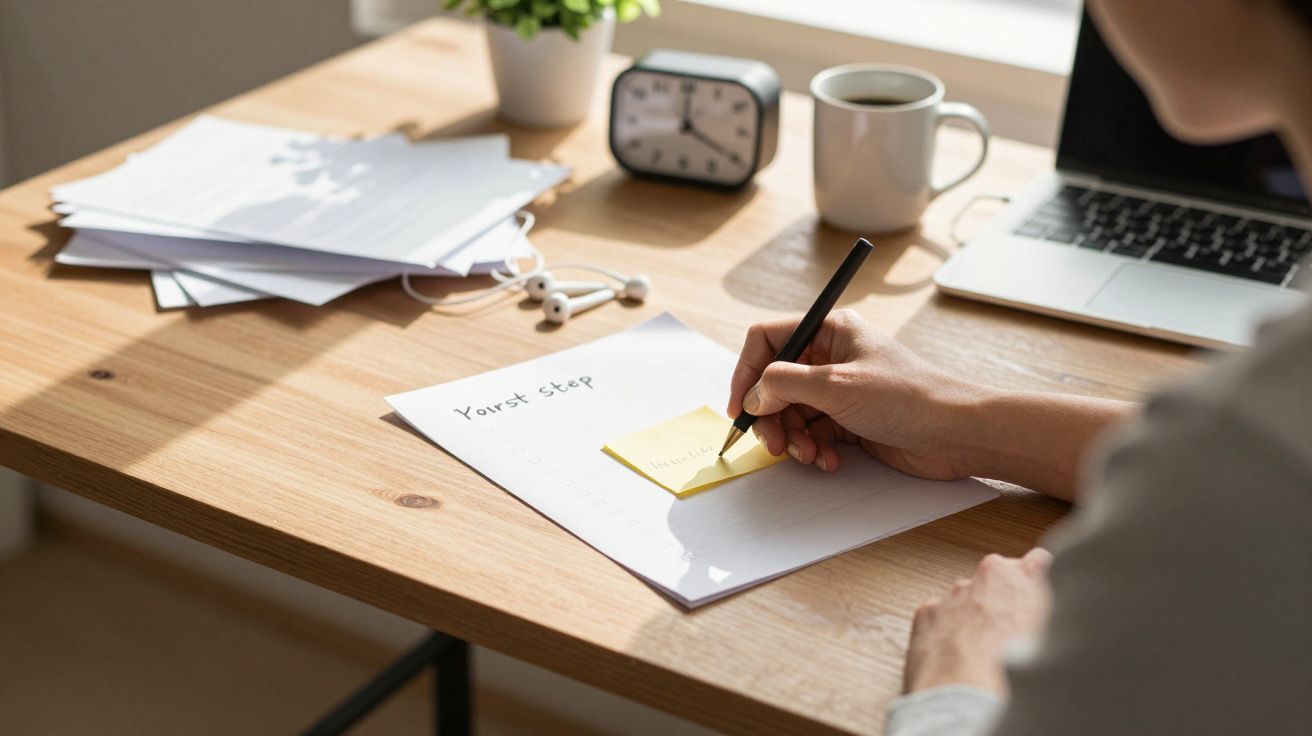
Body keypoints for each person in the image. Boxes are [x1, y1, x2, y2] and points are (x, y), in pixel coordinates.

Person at [726, 1, 1312, 733]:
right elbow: (1225, 473)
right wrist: (953, 419)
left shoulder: (1260, 439)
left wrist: (959, 673)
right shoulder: (1254, 437)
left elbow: (1242, 473)